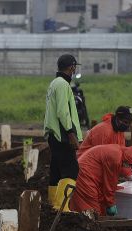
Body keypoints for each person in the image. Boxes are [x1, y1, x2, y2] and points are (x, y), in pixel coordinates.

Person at [44, 54, 84, 206]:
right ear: (72, 67)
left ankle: (52, 204)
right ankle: (62, 208)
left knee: (56, 170)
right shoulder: (62, 84)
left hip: (55, 135)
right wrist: (71, 133)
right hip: (62, 135)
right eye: (74, 67)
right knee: (71, 170)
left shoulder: (54, 83)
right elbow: (62, 112)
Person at [69, 145, 132, 216]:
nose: (130, 167)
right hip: (84, 176)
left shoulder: (120, 152)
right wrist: (111, 204)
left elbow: (120, 165)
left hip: (86, 173)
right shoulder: (115, 157)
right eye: (131, 165)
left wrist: (128, 174)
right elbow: (109, 184)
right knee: (92, 210)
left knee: (99, 206)